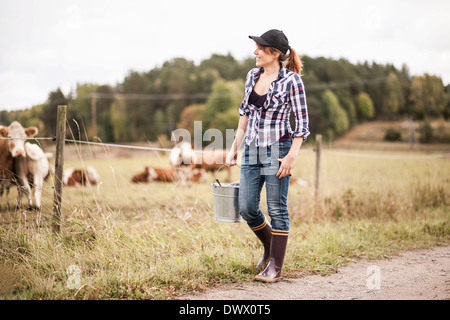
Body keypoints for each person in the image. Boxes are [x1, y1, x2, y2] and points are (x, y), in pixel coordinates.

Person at [225, 29, 310, 283]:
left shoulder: (292, 82)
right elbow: (244, 116)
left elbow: (302, 125)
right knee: (247, 207)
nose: (255, 52)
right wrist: (234, 148)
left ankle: (275, 265)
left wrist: (292, 156)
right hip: (251, 149)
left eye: (260, 48)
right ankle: (271, 247)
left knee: (276, 208)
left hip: (279, 150)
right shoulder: (252, 76)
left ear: (274, 53)